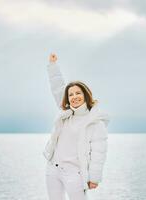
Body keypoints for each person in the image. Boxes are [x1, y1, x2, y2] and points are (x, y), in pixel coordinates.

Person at [43, 53, 110, 200]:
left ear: (86, 95)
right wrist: (53, 66)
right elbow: (57, 87)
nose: (74, 97)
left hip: (75, 174)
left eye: (78, 93)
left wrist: (94, 178)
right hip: (53, 170)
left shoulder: (96, 122)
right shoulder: (65, 114)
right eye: (71, 95)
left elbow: (99, 154)